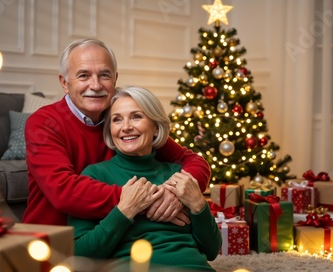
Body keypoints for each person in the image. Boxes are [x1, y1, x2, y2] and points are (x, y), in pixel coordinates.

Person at [22, 39, 211, 226]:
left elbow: (194, 162)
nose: (96, 86)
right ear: (64, 83)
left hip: (115, 240)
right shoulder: (43, 123)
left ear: (115, 79)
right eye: (83, 76)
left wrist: (175, 194)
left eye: (104, 75)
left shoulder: (124, 117)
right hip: (52, 241)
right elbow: (63, 192)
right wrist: (150, 200)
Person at [69, 86, 221, 271]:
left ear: (156, 127)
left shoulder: (178, 174)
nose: (126, 127)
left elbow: (212, 251)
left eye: (136, 116)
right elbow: (79, 256)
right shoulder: (94, 176)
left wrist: (199, 205)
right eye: (117, 120)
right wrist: (124, 211)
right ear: (110, 130)